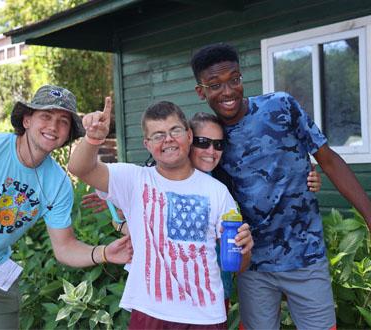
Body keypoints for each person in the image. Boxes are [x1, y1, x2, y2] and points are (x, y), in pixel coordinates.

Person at [190, 43, 371, 330]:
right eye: (215, 85)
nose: (227, 92)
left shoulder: (281, 106)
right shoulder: (210, 137)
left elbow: (327, 159)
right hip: (253, 264)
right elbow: (175, 167)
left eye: (233, 80)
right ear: (201, 91)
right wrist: (115, 200)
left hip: (305, 254)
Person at [81, 111, 322, 316]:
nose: (211, 150)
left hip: (211, 293)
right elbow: (130, 207)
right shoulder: (152, 177)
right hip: (160, 297)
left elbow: (268, 186)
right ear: (188, 139)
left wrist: (305, 178)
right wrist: (119, 214)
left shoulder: (221, 183)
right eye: (203, 142)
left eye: (218, 145)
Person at [69, 99, 253, 329]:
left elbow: (238, 265)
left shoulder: (217, 191)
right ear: (147, 144)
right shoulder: (134, 180)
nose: (167, 139)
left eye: (175, 130)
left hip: (206, 316)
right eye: (158, 135)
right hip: (150, 313)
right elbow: (79, 168)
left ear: (188, 135)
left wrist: (244, 249)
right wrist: (93, 138)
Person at [0, 85, 132, 330]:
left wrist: (105, 253)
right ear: (26, 120)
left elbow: (65, 247)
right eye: (45, 116)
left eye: (63, 121)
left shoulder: (58, 184)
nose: (53, 127)